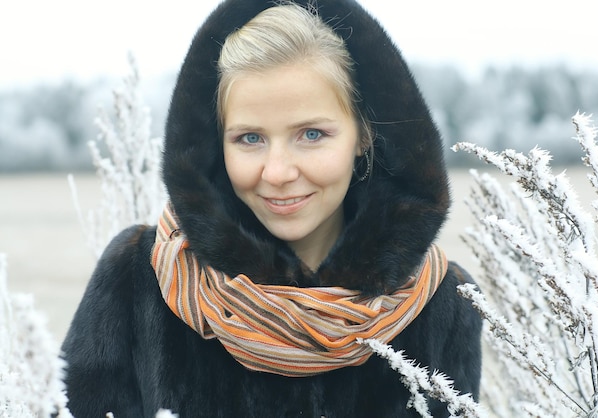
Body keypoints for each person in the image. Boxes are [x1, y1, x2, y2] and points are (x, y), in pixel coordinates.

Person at [61, 1, 482, 417]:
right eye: (249, 138)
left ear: (364, 135)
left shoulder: (443, 302)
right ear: (215, 144)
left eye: (312, 134)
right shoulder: (138, 277)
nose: (277, 172)